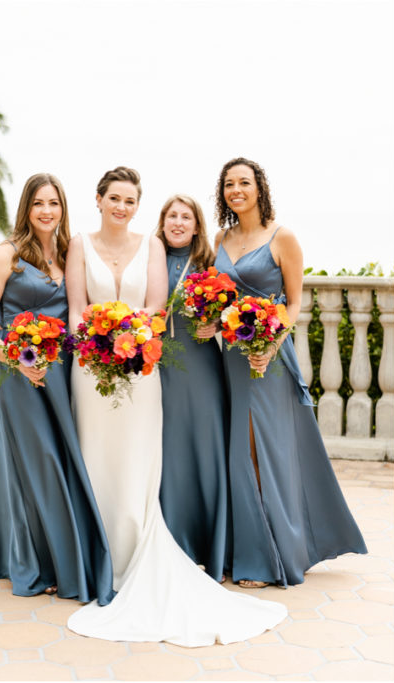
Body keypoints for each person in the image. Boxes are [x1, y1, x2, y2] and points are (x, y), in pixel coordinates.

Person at [65, 166, 285, 646]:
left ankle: (164, 548)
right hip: (100, 366)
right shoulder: (80, 244)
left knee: (152, 460)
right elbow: (77, 308)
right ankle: (96, 555)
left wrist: (128, 332)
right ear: (99, 199)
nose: (123, 207)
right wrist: (98, 338)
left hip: (149, 366)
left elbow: (159, 309)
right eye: (115, 198)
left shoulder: (170, 251)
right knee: (100, 458)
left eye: (131, 201)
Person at [212, 157, 366, 588]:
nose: (236, 190)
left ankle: (269, 556)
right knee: (237, 451)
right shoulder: (220, 238)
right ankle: (244, 548)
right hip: (230, 358)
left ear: (259, 187)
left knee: (262, 450)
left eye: (244, 182)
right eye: (229, 184)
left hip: (267, 358)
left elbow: (294, 305)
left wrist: (268, 346)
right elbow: (212, 296)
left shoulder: (283, 238)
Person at [0, 173, 114, 603]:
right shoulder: (6, 257)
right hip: (15, 377)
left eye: (54, 203)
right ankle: (35, 565)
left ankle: (59, 554)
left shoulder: (70, 254)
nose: (47, 211)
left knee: (61, 461)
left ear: (63, 209)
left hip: (60, 375)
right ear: (25, 209)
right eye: (38, 204)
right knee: (35, 465)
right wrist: (18, 359)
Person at [155, 194, 230, 583]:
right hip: (159, 367)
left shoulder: (209, 264)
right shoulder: (148, 258)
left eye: (186, 217)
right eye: (172, 216)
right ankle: (171, 543)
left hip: (200, 366)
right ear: (163, 221)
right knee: (168, 451)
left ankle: (210, 546)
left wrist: (216, 325)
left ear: (197, 225)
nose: (179, 222)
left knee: (205, 448)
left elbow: (234, 307)